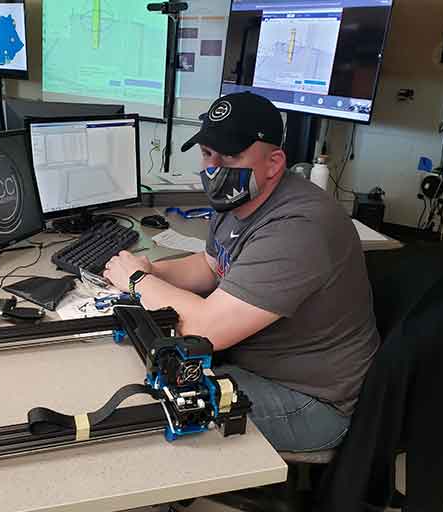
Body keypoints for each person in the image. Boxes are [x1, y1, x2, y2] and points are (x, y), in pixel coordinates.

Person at [103, 92, 380, 452]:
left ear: (273, 162)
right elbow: (210, 265)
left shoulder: (299, 226)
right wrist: (153, 269)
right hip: (256, 361)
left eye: (231, 155)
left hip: (310, 400)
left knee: (156, 406)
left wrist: (140, 282)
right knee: (139, 365)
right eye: (207, 154)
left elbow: (204, 331)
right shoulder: (241, 197)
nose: (214, 168)